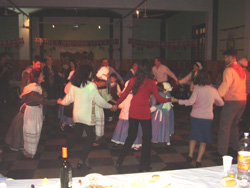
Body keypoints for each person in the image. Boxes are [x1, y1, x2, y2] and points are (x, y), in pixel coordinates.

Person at [115, 59, 171, 172]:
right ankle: (144, 164)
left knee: (130, 137)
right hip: (144, 114)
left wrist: (116, 104)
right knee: (146, 139)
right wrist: (170, 99)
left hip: (133, 112)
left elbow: (124, 95)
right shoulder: (151, 82)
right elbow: (159, 98)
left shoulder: (133, 80)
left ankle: (119, 161)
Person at [57, 65, 116, 170]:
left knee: (76, 135)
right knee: (91, 138)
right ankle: (81, 161)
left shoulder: (75, 85)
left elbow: (68, 100)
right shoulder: (91, 86)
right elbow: (99, 101)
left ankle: (63, 154)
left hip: (77, 115)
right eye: (90, 72)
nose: (91, 74)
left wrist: (60, 101)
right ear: (86, 74)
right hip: (87, 116)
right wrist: (110, 106)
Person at [172, 71, 224, 167]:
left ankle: (190, 155)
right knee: (203, 140)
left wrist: (178, 101)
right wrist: (214, 103)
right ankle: (198, 160)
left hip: (195, 116)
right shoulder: (213, 90)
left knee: (193, 136)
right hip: (207, 117)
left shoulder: (197, 89)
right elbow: (221, 103)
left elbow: (190, 102)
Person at [21, 69, 57, 158]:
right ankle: (29, 152)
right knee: (31, 131)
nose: (43, 76)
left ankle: (30, 151)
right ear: (37, 77)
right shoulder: (33, 89)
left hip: (35, 111)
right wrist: (57, 101)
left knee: (35, 130)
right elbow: (41, 100)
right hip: (32, 113)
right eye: (41, 75)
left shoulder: (36, 87)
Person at [217, 50, 247, 156]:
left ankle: (222, 152)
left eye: (225, 57)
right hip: (242, 100)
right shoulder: (241, 69)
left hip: (232, 101)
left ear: (231, 57)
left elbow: (225, 85)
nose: (224, 59)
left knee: (225, 126)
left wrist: (216, 97)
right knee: (234, 125)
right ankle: (236, 147)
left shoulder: (229, 70)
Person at [111, 81, 142, 150]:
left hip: (125, 115)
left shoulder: (126, 95)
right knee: (135, 130)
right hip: (135, 116)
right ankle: (135, 145)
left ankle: (121, 141)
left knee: (123, 130)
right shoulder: (138, 94)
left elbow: (121, 105)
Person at [238, 58, 250, 133]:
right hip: (247, 96)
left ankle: (244, 131)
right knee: (246, 115)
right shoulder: (248, 73)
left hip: (245, 96)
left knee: (244, 115)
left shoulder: (243, 74)